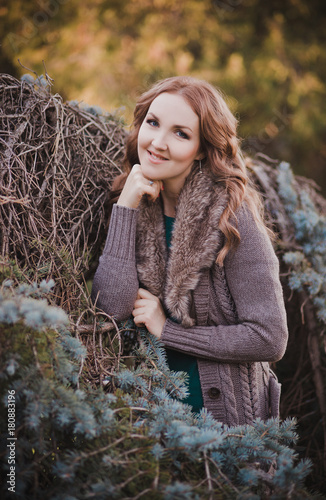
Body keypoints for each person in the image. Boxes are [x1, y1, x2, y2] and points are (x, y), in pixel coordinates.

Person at [91, 76, 288, 425]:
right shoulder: (131, 201)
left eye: (180, 133)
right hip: (151, 424)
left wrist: (168, 331)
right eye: (153, 124)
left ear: (201, 148)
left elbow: (269, 338)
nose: (158, 143)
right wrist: (124, 208)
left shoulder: (231, 216)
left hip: (230, 431)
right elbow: (111, 308)